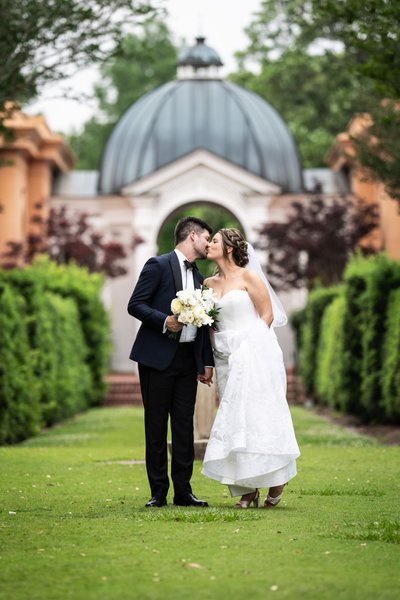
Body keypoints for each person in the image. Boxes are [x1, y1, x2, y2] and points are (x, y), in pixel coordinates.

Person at [201, 228, 300, 508]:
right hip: (224, 356)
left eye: (215, 241)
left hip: (255, 352)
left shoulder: (249, 277)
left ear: (229, 247)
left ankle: (276, 477)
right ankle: (247, 488)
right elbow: (207, 324)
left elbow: (267, 314)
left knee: (259, 415)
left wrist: (248, 348)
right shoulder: (207, 283)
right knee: (234, 419)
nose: (209, 244)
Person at [128, 217, 214, 508]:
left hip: (187, 360)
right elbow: (136, 304)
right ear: (192, 236)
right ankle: (158, 493)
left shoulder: (201, 278)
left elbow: (203, 325)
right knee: (155, 426)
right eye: (206, 238)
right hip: (156, 358)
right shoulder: (158, 264)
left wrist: (205, 363)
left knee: (183, 428)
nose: (208, 244)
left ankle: (183, 492)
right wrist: (165, 320)